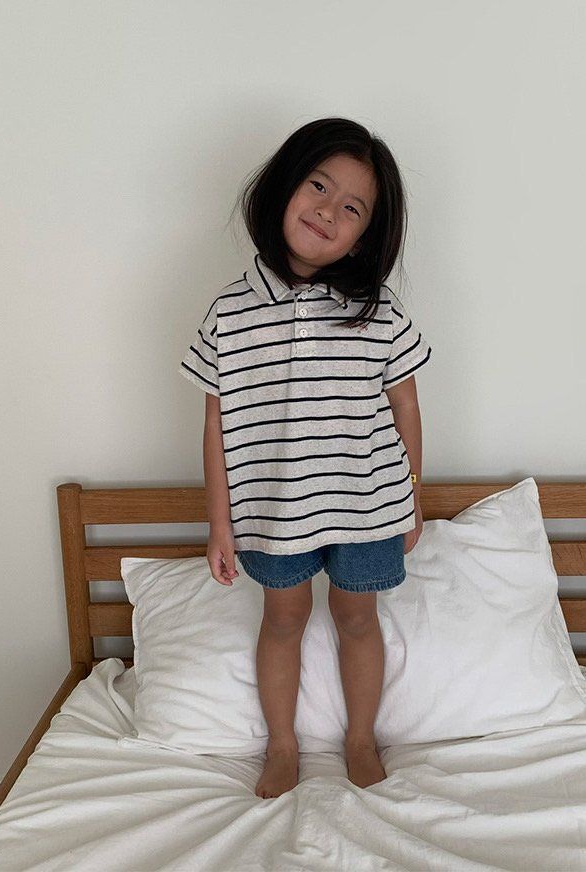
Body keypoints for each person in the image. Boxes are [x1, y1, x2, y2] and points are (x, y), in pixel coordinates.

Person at [179, 117, 431, 799]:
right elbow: (215, 423)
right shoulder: (230, 312)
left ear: (365, 235)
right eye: (319, 186)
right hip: (275, 512)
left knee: (358, 619)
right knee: (282, 621)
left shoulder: (378, 311)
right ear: (284, 186)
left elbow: (407, 405)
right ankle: (282, 745)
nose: (328, 210)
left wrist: (412, 495)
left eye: (352, 207)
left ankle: (360, 739)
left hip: (367, 506)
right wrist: (220, 523)